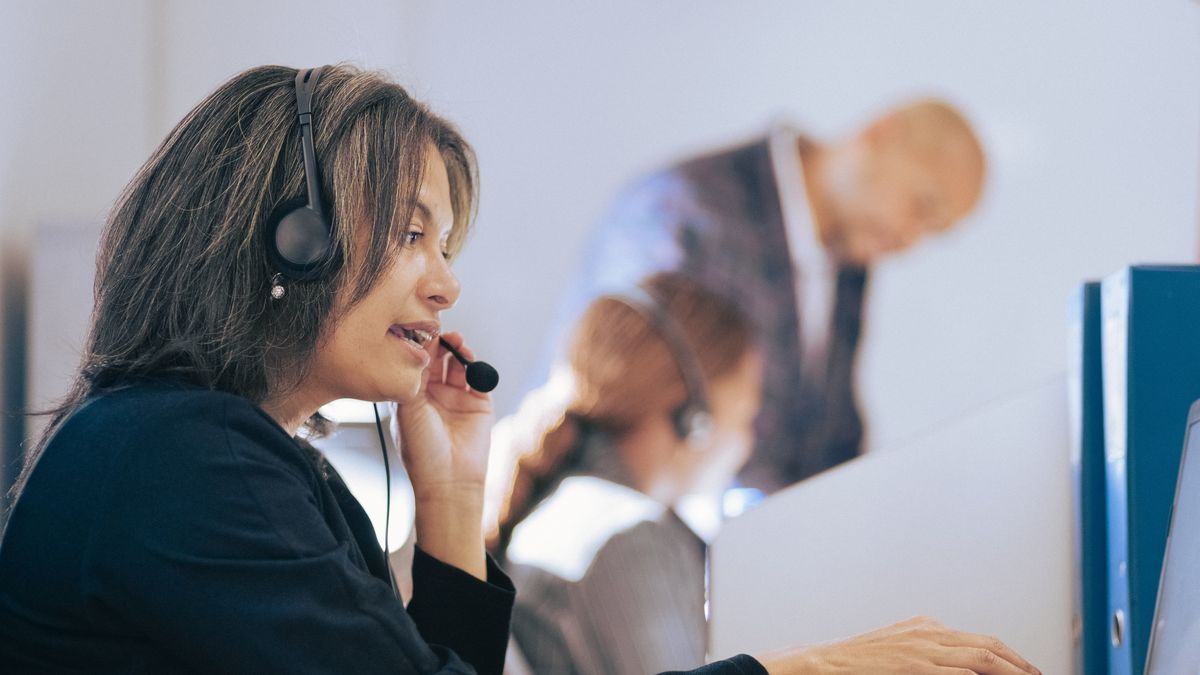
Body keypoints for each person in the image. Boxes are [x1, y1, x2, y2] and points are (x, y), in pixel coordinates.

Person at [0, 64, 1037, 675]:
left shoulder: (264, 464)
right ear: (293, 238)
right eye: (412, 234)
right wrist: (814, 672)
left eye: (446, 245)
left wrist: (452, 500)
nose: (446, 286)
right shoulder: (179, 460)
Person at [545, 100, 986, 493]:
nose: (911, 239)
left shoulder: (851, 256)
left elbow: (831, 434)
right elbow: (629, 414)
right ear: (880, 132)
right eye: (922, 206)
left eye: (933, 232)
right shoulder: (687, 208)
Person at [494, 272, 765, 674]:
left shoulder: (560, 503)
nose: (747, 443)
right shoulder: (630, 539)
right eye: (745, 417)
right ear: (695, 419)